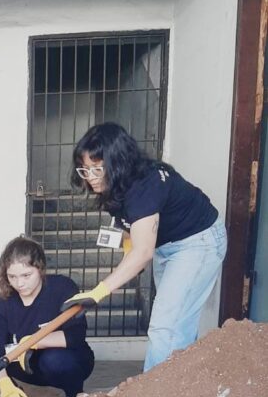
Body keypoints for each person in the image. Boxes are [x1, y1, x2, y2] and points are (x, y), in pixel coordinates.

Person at [64, 123, 227, 371]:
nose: (91, 178)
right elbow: (133, 234)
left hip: (198, 243)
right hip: (167, 247)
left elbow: (143, 252)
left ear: (117, 163)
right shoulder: (113, 187)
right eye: (85, 170)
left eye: (98, 169)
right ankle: (183, 390)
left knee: (166, 326)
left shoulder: (145, 185)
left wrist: (98, 292)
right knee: (176, 325)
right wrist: (129, 247)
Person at [0, 236, 95, 397]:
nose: (19, 283)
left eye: (26, 275)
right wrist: (3, 379)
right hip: (25, 364)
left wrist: (33, 342)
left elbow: (75, 336)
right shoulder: (3, 302)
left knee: (54, 360)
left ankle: (73, 396)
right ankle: (12, 393)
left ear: (40, 269)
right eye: (12, 276)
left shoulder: (62, 288)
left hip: (64, 361)